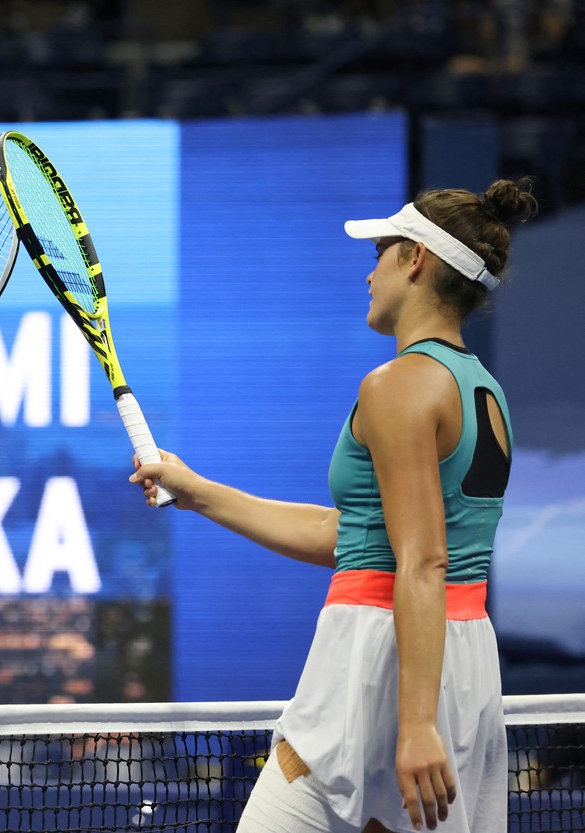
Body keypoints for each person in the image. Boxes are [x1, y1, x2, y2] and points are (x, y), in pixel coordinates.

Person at [130, 178, 536, 833]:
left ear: (417, 260)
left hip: (386, 658)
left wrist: (416, 721)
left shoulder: (398, 384)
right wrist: (199, 491)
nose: (369, 271)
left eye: (381, 251)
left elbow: (424, 560)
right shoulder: (482, 389)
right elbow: (356, 536)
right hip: (456, 659)